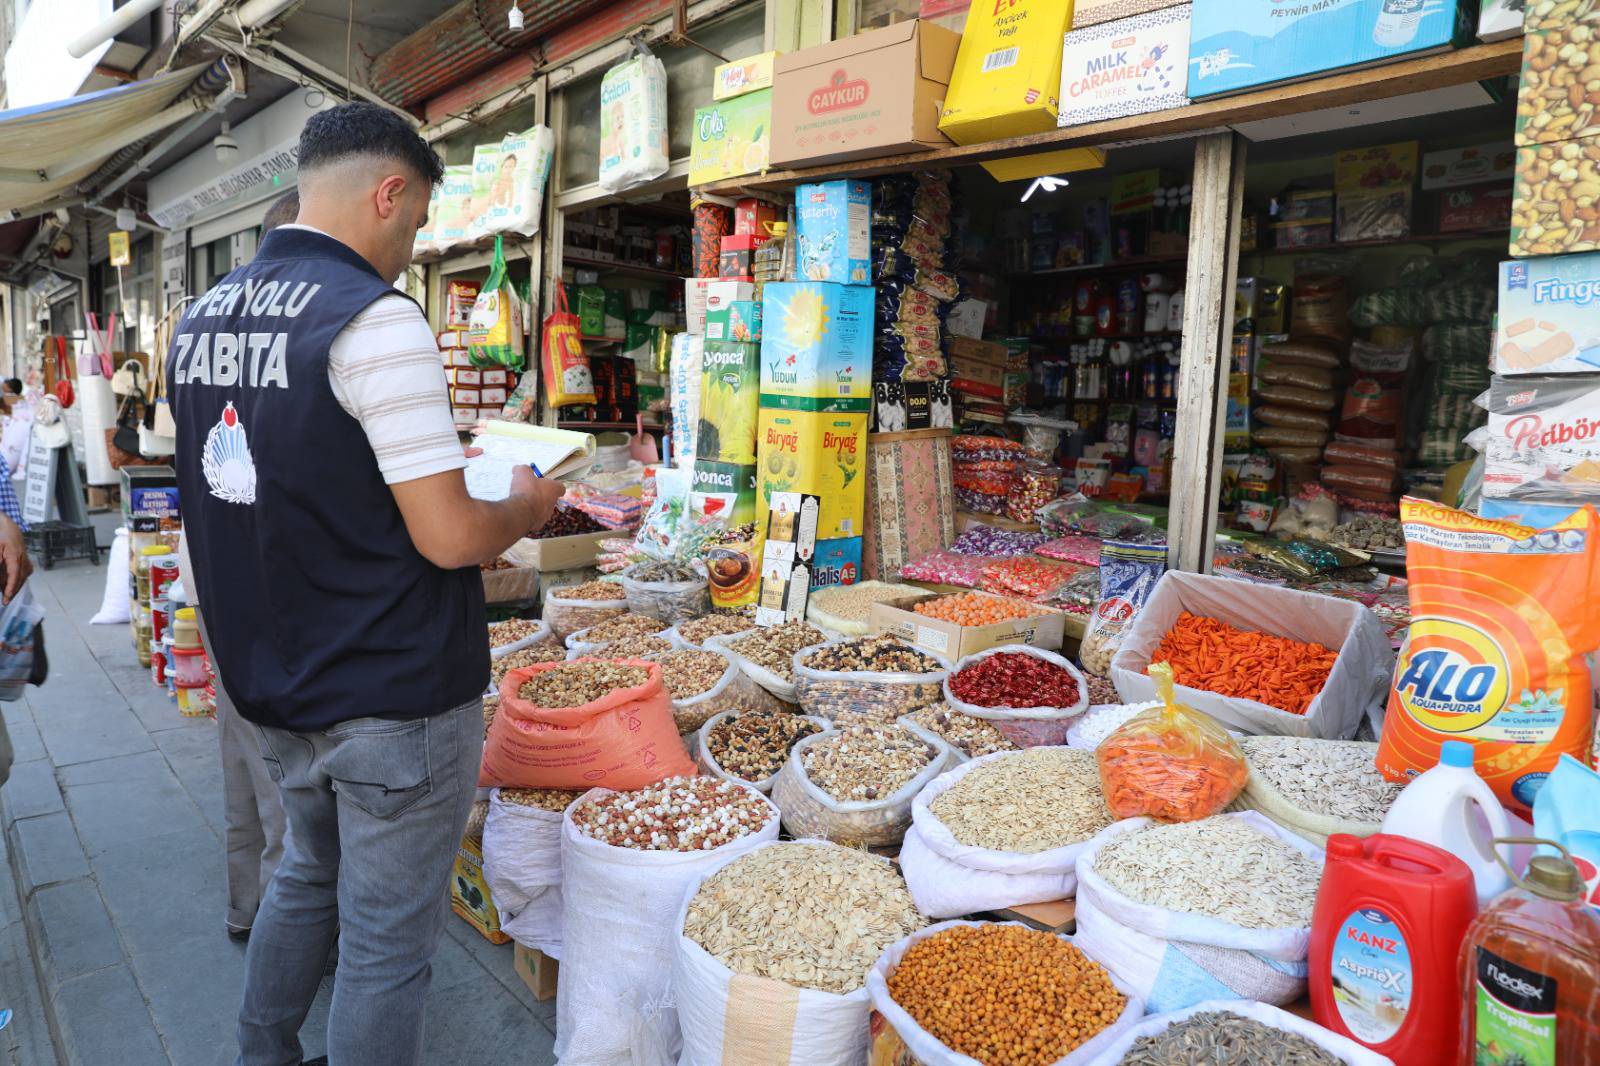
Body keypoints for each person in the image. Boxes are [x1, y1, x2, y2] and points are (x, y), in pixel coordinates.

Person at [166, 102, 564, 1066]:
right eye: (416, 221)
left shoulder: (203, 317)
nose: (410, 246)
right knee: (387, 946)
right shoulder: (375, 320)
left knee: (308, 871)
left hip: (274, 677)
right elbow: (451, 537)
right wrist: (524, 506)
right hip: (390, 691)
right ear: (389, 193)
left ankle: (263, 1051)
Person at [186, 188, 298, 943]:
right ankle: (293, 934)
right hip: (271, 572)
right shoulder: (306, 317)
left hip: (214, 561)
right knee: (288, 775)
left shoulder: (200, 316)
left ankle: (247, 907)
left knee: (241, 751)